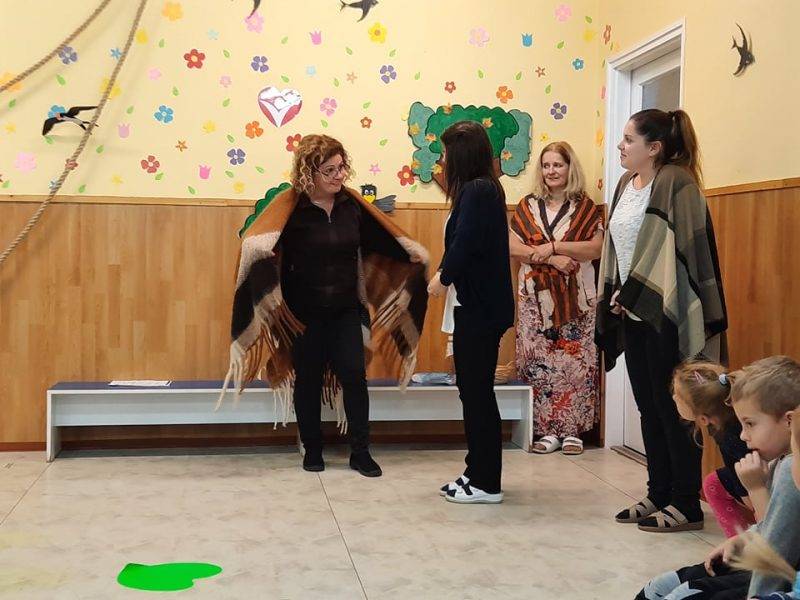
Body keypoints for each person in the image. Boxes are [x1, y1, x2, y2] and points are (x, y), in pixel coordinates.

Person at [220, 134, 429, 477]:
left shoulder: (352, 206)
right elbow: (258, 242)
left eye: (342, 167)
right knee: (308, 379)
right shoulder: (292, 209)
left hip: (346, 310)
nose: (339, 175)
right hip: (303, 314)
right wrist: (259, 254)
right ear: (309, 173)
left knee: (354, 376)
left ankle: (361, 452)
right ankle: (312, 449)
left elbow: (380, 239)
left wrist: (411, 255)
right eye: (329, 170)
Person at [596, 108, 728, 532]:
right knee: (649, 406)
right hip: (632, 311)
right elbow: (619, 249)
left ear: (653, 148)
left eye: (628, 139)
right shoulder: (625, 183)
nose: (620, 146)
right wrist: (618, 293)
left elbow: (687, 256)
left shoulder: (677, 182)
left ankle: (686, 502)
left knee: (677, 408)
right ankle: (658, 492)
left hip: (669, 312)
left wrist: (635, 291)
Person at [635, 356, 800, 600]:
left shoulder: (789, 470)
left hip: (773, 580)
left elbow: (774, 551)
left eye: (750, 424)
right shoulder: (778, 463)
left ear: (788, 421)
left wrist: (755, 488)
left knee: (681, 594)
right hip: (764, 567)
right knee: (659, 588)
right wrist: (742, 539)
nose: (743, 435)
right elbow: (772, 529)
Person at [428, 120, 515, 504]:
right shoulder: (479, 189)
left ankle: (486, 482)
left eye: (446, 154)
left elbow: (464, 244)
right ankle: (475, 471)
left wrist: (442, 278)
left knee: (477, 394)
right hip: (476, 307)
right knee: (472, 392)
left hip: (480, 310)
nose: (443, 160)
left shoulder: (479, 190)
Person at [508, 141, 604, 455]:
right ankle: (545, 430)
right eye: (546, 165)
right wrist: (552, 260)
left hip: (577, 300)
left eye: (558, 165)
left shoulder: (585, 207)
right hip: (534, 302)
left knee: (575, 364)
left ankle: (573, 431)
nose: (551, 171)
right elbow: (513, 247)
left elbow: (595, 248)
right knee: (538, 364)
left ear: (569, 168)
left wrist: (554, 247)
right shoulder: (527, 206)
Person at [671, 360, 755, 537]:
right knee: (712, 483)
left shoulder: (731, 439)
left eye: (678, 396)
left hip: (757, 483)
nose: (674, 398)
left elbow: (745, 482)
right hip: (750, 477)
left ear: (703, 419)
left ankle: (741, 545)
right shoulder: (728, 421)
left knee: (713, 485)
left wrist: (753, 502)